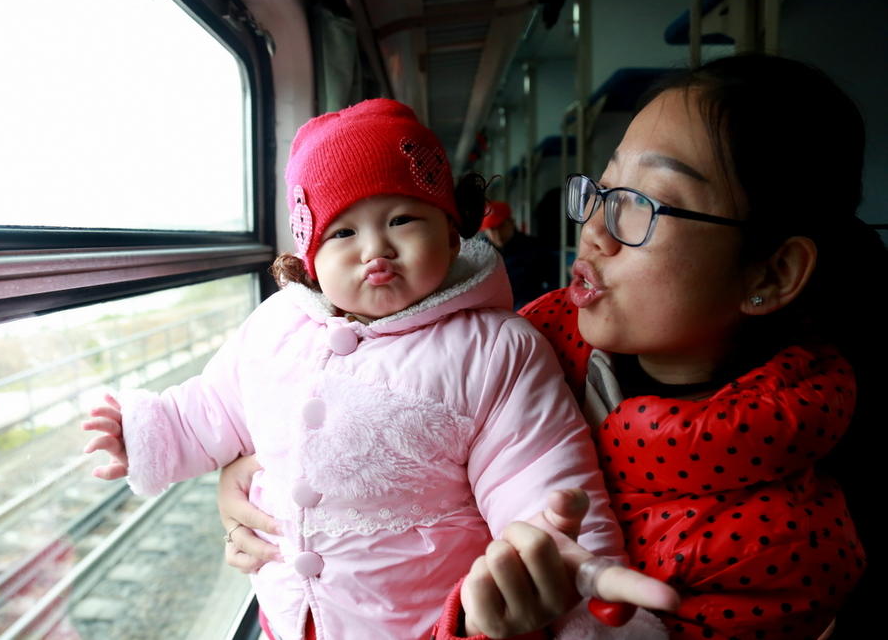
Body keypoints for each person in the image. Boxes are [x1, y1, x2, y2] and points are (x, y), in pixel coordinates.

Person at [218, 54, 884, 639]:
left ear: (771, 273)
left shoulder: (788, 547)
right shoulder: (537, 333)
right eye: (603, 190)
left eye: (645, 203)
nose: (593, 229)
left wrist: (499, 631)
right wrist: (262, 465)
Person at [82, 99, 674, 640]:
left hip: (416, 621)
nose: (375, 250)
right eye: (343, 232)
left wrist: (572, 567)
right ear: (311, 259)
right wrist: (145, 432)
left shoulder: (495, 349)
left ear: (451, 228)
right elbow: (213, 406)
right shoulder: (275, 326)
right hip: (288, 614)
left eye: (402, 221)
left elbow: (539, 476)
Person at [479, 200, 560, 310]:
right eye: (492, 229)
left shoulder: (535, 248)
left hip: (528, 310)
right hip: (491, 312)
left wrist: (538, 303)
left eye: (501, 226)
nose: (497, 234)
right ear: (485, 231)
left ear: (511, 222)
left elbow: (555, 282)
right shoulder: (479, 252)